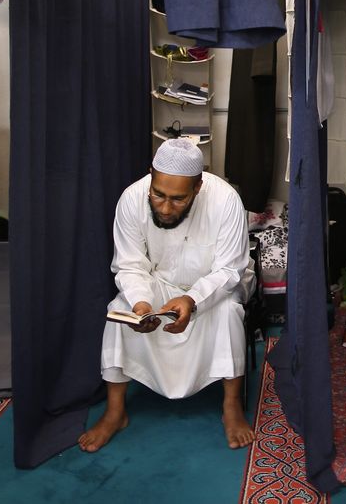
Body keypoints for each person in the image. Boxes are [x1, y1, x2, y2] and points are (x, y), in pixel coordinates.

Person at [78, 138, 256, 452]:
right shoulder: (132, 198)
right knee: (119, 308)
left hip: (213, 286)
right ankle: (116, 411)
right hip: (158, 282)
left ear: (198, 188)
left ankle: (231, 405)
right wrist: (141, 304)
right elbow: (130, 264)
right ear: (151, 175)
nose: (164, 206)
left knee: (229, 312)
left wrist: (192, 300)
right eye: (158, 194)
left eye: (177, 199)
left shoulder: (226, 200)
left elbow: (229, 270)